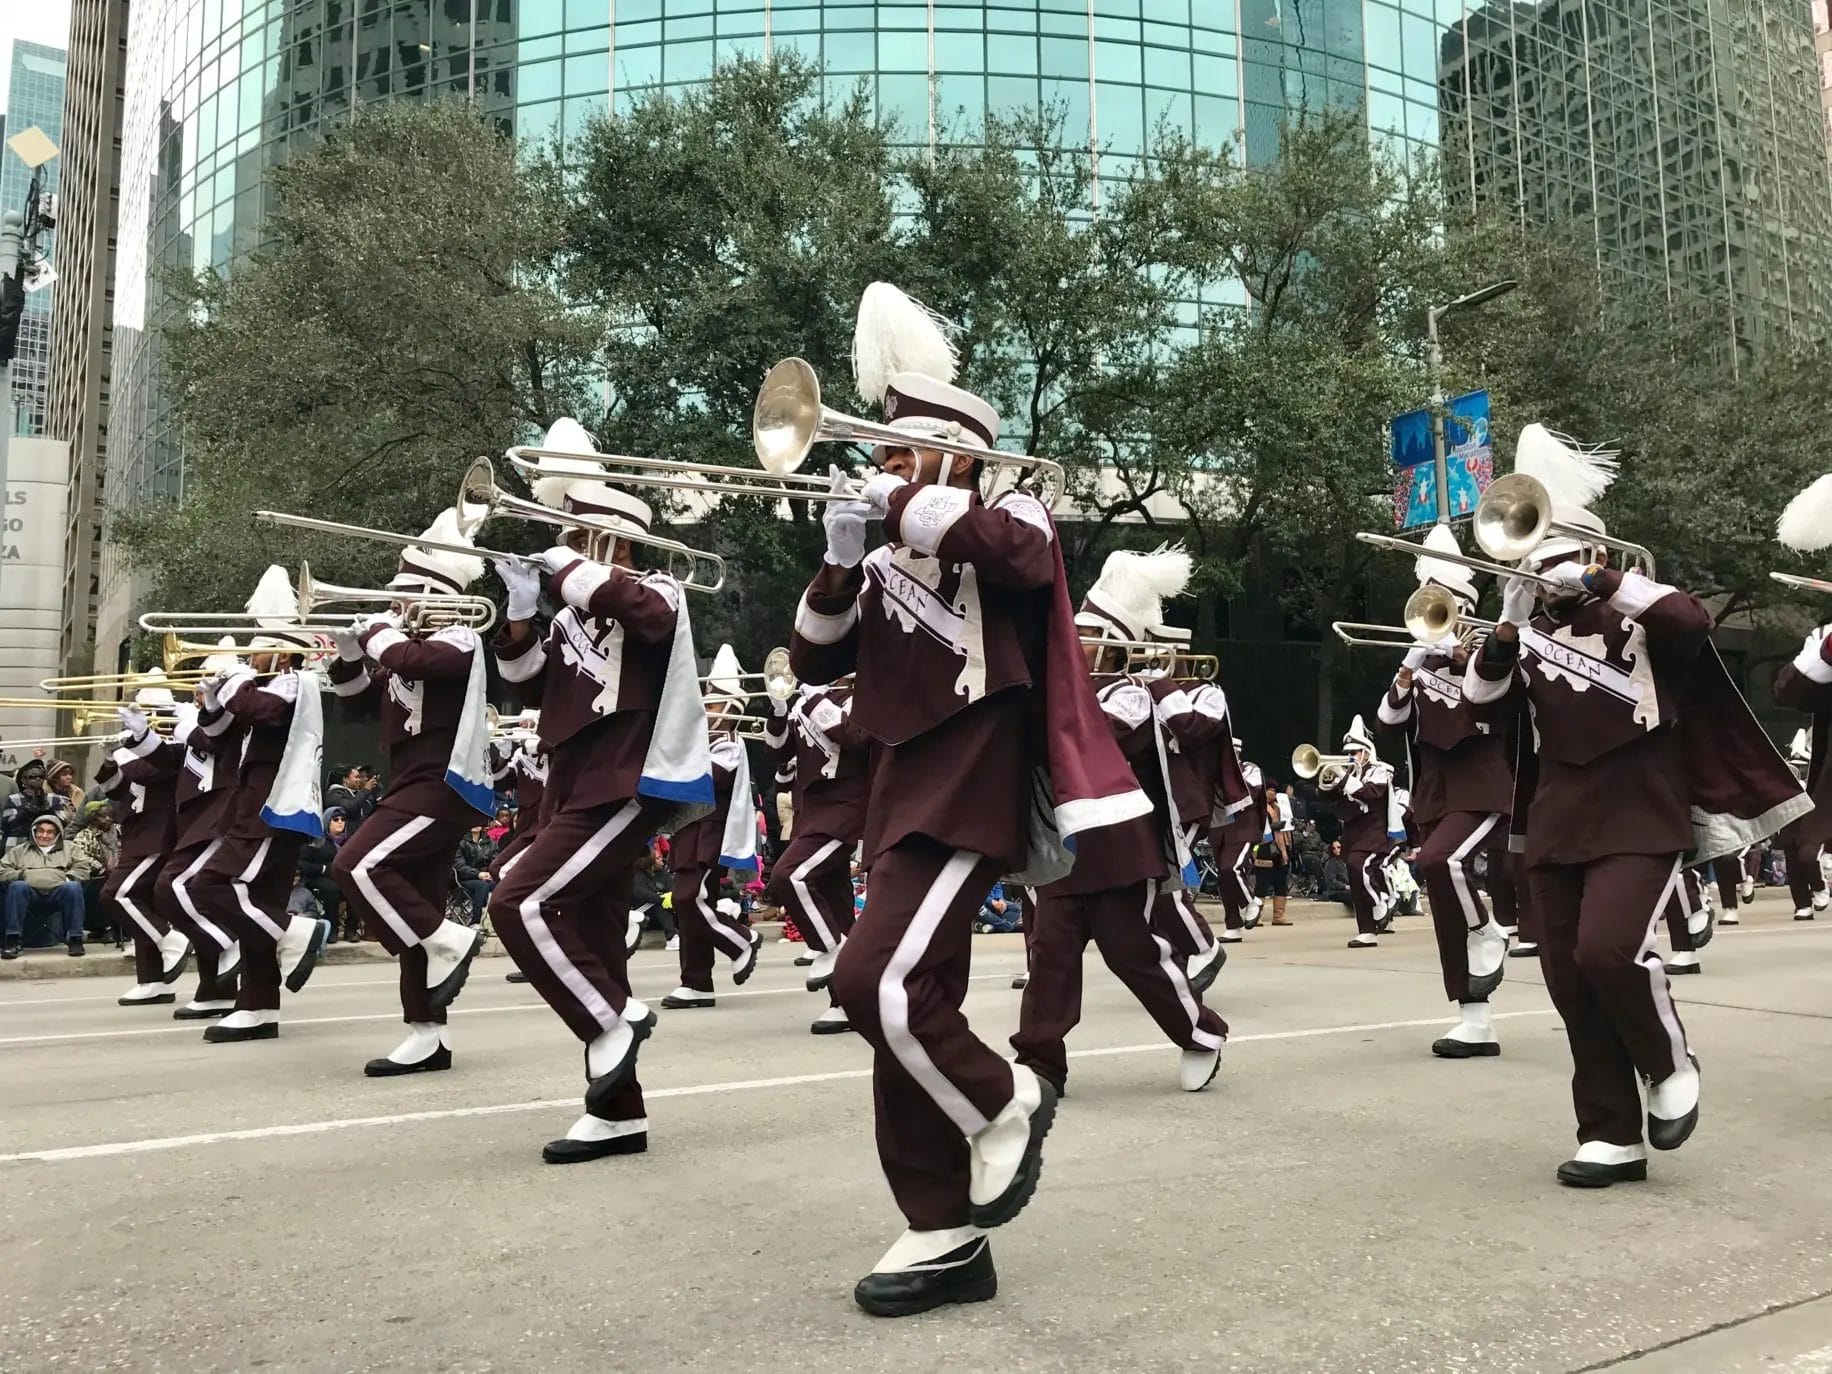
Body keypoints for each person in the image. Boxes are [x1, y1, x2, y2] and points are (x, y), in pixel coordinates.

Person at [790, 283, 1152, 1317]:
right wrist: (834, 563)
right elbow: (811, 661)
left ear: (954, 452)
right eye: (883, 455)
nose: (882, 470)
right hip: (896, 785)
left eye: (899, 453)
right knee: (915, 995)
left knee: (874, 984)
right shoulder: (889, 545)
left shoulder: (1010, 508)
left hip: (975, 780)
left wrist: (904, 503)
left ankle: (1004, 1101)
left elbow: (1021, 557)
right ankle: (940, 1229)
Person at [1465, 425, 1805, 1188]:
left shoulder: (1636, 610)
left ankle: (1668, 1060)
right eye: (1532, 559)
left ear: (1593, 555)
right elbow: (1481, 706)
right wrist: (1510, 622)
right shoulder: (1523, 632)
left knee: (1609, 951)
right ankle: (1610, 1131)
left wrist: (1602, 586)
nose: (1542, 572)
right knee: (1567, 979)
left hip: (1639, 807)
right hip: (1556, 812)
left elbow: (1692, 623)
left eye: (1555, 560)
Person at [489, 417, 715, 1164]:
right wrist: (522, 612)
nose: (562, 544)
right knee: (589, 939)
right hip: (571, 782)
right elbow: (522, 681)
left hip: (624, 781)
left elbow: (646, 615)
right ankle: (618, 1111)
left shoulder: (657, 591)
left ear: (610, 540)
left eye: (573, 533)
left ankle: (614, 1021)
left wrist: (563, 571)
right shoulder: (572, 612)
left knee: (515, 901)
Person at [1014, 546, 1228, 1101]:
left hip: (1118, 853)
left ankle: (1200, 1033)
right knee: (1050, 960)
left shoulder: (1130, 694)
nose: (1073, 646)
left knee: (1136, 956)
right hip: (1063, 850)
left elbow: (1088, 736)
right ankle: (1040, 1059)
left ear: (1111, 648)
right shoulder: (1055, 692)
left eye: (1084, 637)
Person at [327, 505, 494, 1078]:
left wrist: (378, 633)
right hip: (411, 783)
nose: (394, 607)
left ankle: (450, 937)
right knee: (411, 899)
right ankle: (427, 1032)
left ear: (435, 595)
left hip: (443, 785)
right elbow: (355, 702)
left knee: (357, 867)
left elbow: (405, 657)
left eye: (405, 598)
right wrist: (347, 650)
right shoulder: (408, 647)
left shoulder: (461, 639)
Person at [1375, 524, 1517, 1059]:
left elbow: (1502, 704)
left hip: (1481, 784)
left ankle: (1489, 931)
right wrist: (1410, 666)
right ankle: (1475, 1019)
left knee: (1440, 863)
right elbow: (1389, 720)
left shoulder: (1491, 655)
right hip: (1434, 789)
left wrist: (1465, 659)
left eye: (1445, 604)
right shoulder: (1423, 658)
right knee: (1442, 908)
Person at [1072, 545, 1235, 993]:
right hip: (1148, 793)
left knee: (1161, 878)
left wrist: (1159, 678)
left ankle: (1202, 948)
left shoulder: (1202, 690)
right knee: (1153, 882)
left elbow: (1192, 727)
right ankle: (1183, 953)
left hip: (1185, 797)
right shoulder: (1110, 685)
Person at [187, 566, 335, 1042]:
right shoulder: (260, 683)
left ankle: (295, 932)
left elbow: (264, 711)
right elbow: (215, 737)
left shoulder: (294, 681)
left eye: (260, 643)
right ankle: (259, 1006)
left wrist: (232, 681)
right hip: (257, 802)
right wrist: (211, 700)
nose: (252, 652)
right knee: (256, 900)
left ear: (281, 646)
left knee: (212, 884)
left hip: (273, 804)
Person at [760, 669, 870, 1035]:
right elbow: (777, 753)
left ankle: (829, 949)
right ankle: (850, 1003)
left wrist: (813, 698)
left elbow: (855, 738)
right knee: (838, 908)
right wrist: (778, 709)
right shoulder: (808, 704)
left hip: (844, 812)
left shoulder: (858, 697)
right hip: (813, 815)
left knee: (789, 876)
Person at [660, 644, 762, 1010]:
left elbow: (711, 778)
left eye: (714, 703)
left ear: (730, 709)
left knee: (692, 899)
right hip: (689, 832)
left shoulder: (729, 743)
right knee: (686, 907)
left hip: (710, 833)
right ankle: (696, 982)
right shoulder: (698, 743)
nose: (706, 707)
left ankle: (740, 941)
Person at [1320, 716, 1395, 949]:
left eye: (1355, 752)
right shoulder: (1349, 774)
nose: (1350, 757)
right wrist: (1327, 782)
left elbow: (1370, 793)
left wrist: (1343, 778)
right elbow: (1327, 798)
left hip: (1373, 830)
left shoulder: (1380, 771)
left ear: (1366, 752)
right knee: (1354, 876)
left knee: (1358, 866)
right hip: (1352, 831)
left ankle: (1380, 901)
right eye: (1348, 752)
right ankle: (1366, 930)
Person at [1, 815, 97, 955]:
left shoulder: (70, 848)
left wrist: (67, 877)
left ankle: (75, 939)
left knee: (73, 887)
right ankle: (13, 940)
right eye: (40, 831)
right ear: (34, 831)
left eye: (49, 832)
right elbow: (2, 870)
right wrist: (21, 875)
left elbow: (83, 869)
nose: (44, 835)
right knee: (17, 887)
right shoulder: (19, 850)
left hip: (58, 894)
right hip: (30, 896)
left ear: (58, 833)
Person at [298, 809, 354, 941]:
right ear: (327, 822)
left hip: (342, 877)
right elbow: (301, 864)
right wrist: (323, 868)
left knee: (354, 888)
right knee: (332, 889)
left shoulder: (349, 841)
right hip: (318, 878)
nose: (340, 822)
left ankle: (351, 930)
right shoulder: (317, 841)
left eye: (342, 819)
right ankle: (332, 929)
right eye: (336, 820)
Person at [68, 801, 121, 939]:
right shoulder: (84, 836)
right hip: (97, 876)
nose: (108, 819)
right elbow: (80, 856)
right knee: (98, 885)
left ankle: (121, 929)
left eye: (110, 816)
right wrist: (101, 868)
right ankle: (104, 926)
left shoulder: (120, 831)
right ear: (92, 818)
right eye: (103, 816)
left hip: (121, 872)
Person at [1254, 781, 1294, 926]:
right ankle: (1255, 915)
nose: (1272, 793)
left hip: (1281, 849)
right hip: (1264, 848)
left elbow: (1286, 826)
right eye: (1269, 789)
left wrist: (1291, 823)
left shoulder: (1279, 807)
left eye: (1274, 790)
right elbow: (1256, 827)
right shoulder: (1257, 808)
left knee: (1281, 882)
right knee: (1262, 883)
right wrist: (1273, 826)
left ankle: (1279, 915)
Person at [2, 759, 69, 843]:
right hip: (19, 843)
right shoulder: (15, 799)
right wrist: (26, 811)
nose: (38, 779)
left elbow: (63, 823)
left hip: (47, 843)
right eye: (32, 777)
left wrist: (50, 811)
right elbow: (6, 825)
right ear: (24, 780)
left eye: (41, 776)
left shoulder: (53, 798)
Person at [455, 823, 498, 925]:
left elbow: (496, 862)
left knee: (497, 884)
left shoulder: (491, 843)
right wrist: (478, 874)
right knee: (482, 885)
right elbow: (459, 866)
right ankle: (476, 922)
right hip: (464, 879)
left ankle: (495, 921)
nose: (476, 824)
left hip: (486, 877)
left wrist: (491, 873)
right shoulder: (460, 842)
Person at [1319, 840, 1352, 905]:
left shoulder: (1346, 861)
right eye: (1333, 848)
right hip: (1335, 892)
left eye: (1338, 847)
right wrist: (1345, 886)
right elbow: (1331, 882)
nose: (1336, 850)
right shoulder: (1330, 863)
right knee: (1354, 895)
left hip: (1347, 889)